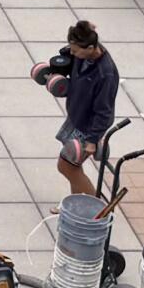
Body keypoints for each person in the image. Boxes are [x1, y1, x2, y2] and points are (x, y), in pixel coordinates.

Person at [34, 20, 120, 200]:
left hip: (88, 127)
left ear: (90, 48)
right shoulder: (84, 55)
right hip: (76, 117)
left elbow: (104, 112)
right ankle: (74, 205)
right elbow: (70, 51)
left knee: (65, 166)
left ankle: (98, 210)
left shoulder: (106, 74)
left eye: (75, 50)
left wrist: (91, 140)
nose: (70, 53)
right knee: (73, 167)